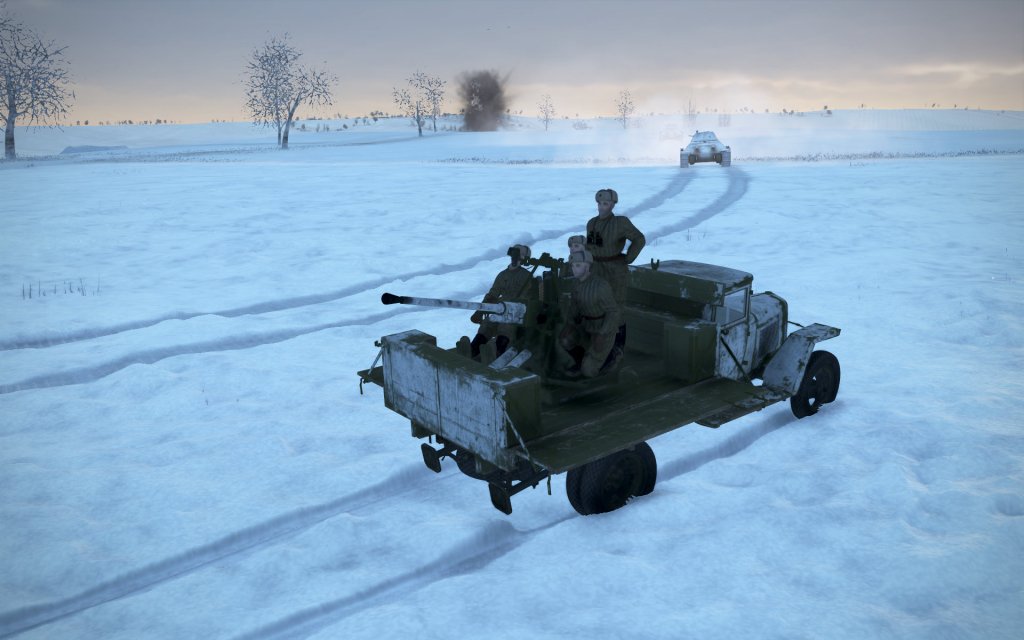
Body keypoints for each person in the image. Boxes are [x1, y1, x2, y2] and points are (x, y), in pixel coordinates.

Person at [585, 188, 645, 354]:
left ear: (613, 205)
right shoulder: (591, 223)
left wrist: (628, 258)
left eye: (606, 203)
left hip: (615, 271)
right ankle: (597, 345)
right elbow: (590, 246)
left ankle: (617, 348)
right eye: (600, 203)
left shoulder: (621, 222)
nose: (602, 207)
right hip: (595, 268)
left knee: (616, 307)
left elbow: (639, 239)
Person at [559, 249, 621, 378]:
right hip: (586, 326)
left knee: (588, 372)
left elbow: (613, 312)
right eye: (572, 266)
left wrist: (602, 334)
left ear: (587, 266)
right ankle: (581, 361)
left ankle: (612, 356)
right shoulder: (576, 284)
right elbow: (574, 308)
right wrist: (569, 325)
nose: (574, 269)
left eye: (578, 265)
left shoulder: (601, 286)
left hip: (603, 329)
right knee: (565, 340)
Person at [471, 244, 533, 359]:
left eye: (519, 254)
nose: (515, 257)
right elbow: (492, 295)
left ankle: (499, 355)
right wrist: (479, 312)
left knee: (506, 326)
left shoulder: (527, 276)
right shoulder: (503, 275)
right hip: (500, 308)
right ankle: (473, 350)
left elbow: (528, 298)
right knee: (487, 324)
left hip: (516, 312)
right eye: (514, 253)